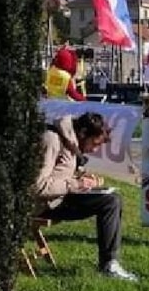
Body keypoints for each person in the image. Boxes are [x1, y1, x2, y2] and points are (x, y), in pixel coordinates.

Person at [35, 112, 138, 282]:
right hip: (44, 205)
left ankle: (110, 263)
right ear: (83, 134)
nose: (94, 150)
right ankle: (109, 265)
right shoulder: (52, 140)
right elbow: (37, 186)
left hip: (59, 198)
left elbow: (61, 174)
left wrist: (84, 180)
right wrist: (76, 184)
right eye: (94, 144)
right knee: (110, 202)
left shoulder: (71, 143)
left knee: (112, 199)